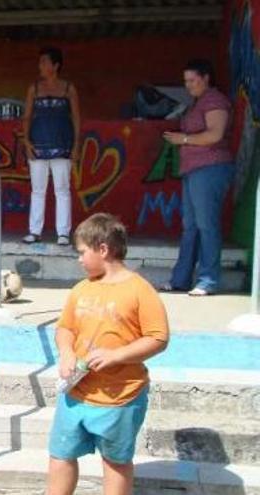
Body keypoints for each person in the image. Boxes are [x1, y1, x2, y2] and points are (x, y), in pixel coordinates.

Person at [48, 213, 169, 495]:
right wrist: (66, 352)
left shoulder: (140, 290)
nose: (78, 259)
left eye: (82, 252)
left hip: (120, 398)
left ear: (103, 249)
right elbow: (65, 327)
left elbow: (158, 338)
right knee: (60, 455)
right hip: (76, 395)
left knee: (115, 462)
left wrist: (117, 355)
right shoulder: (81, 289)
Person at [161, 59, 234, 296]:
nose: (188, 85)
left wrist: (182, 139)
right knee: (190, 227)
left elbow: (215, 134)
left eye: (192, 80)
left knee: (206, 225)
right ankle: (180, 279)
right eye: (186, 81)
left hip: (210, 168)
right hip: (192, 170)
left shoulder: (215, 100)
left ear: (206, 78)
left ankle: (208, 280)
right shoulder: (197, 103)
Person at [21, 46, 81, 246]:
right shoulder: (34, 89)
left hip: (63, 145)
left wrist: (76, 145)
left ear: (55, 66)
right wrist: (27, 142)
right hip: (38, 144)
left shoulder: (68, 88)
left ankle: (63, 233)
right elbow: (27, 117)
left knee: (62, 190)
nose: (40, 66)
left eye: (44, 62)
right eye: (40, 62)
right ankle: (34, 231)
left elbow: (76, 118)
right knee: (37, 190)